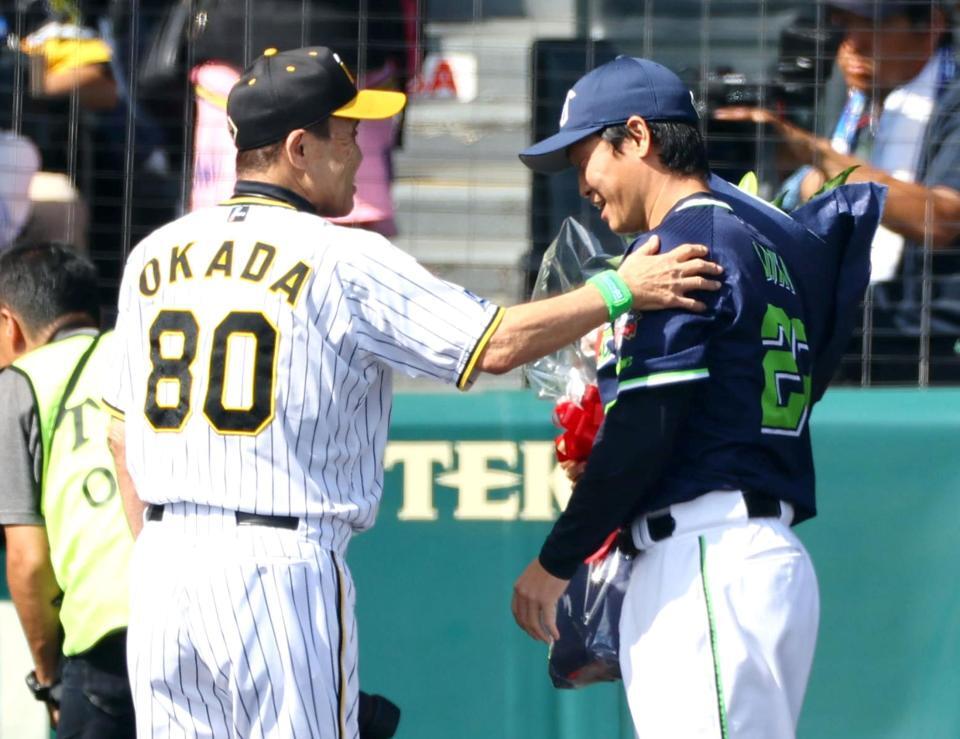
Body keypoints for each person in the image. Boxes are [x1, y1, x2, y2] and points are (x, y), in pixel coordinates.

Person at [103, 45, 724, 738]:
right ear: (299, 148)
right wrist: (618, 289)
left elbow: (121, 434)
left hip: (160, 567)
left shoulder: (153, 255)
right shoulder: (340, 256)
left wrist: (168, 557)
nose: (363, 152)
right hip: (275, 565)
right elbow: (496, 345)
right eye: (347, 135)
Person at [511, 56, 880, 738]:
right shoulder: (760, 236)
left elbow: (650, 425)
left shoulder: (685, 243)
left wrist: (556, 560)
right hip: (737, 549)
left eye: (586, 154)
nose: (580, 181)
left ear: (638, 137)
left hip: (709, 554)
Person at [715, 0, 960, 383]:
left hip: (930, 346)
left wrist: (818, 156)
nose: (850, 44)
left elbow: (943, 219)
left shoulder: (952, 96)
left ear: (931, 24)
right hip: (848, 328)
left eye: (868, 25)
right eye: (841, 25)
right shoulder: (843, 91)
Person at [0, 242, 135, 737]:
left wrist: (48, 680)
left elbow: (28, 561)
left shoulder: (21, 382)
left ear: (8, 323)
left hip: (103, 643)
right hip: (202, 616)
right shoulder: (147, 351)